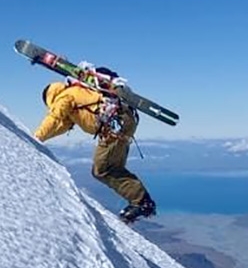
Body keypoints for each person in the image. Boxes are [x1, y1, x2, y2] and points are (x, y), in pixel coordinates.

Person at [32, 70, 157, 224]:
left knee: (102, 170)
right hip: (122, 121)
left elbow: (54, 118)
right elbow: (62, 125)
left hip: (114, 126)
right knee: (113, 168)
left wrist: (36, 137)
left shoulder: (65, 96)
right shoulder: (78, 92)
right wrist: (42, 138)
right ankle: (141, 202)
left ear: (49, 98)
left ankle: (142, 202)